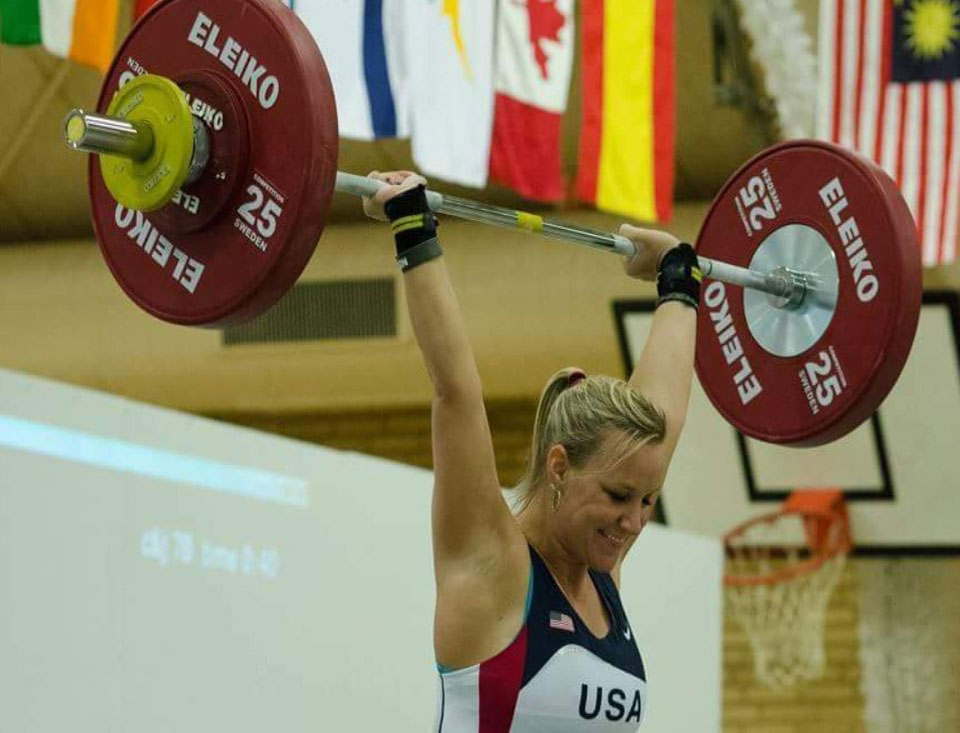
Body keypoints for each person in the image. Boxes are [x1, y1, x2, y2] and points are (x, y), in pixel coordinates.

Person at [363, 171, 698, 731]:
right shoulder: (491, 561)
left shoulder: (601, 579)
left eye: (647, 502)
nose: (634, 522)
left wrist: (679, 284)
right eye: (619, 496)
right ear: (560, 467)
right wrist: (413, 228)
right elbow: (456, 393)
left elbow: (666, 418)